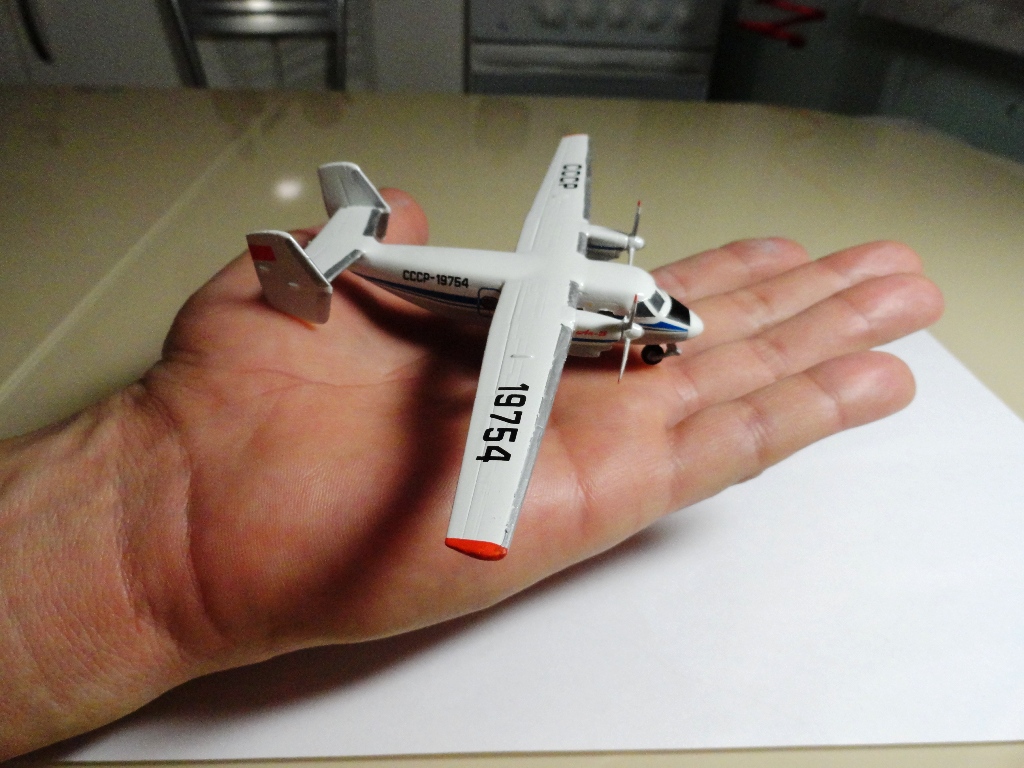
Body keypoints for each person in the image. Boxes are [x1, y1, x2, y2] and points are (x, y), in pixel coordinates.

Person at [0, 188, 943, 759]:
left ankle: (350, 231)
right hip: (389, 274)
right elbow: (505, 410)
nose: (665, 324)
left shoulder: (601, 291)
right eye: (649, 316)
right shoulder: (532, 331)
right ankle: (330, 255)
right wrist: (494, 484)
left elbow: (567, 202)